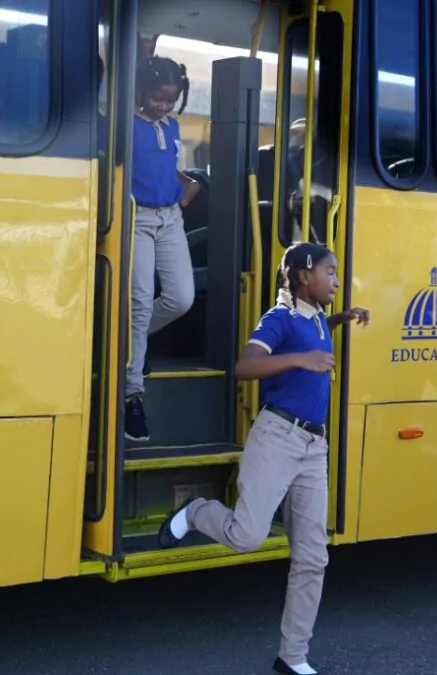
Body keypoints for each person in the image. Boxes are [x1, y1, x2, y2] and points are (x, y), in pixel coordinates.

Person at [158, 242, 368, 675]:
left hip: (314, 447)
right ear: (304, 275)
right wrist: (302, 359)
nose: (336, 281)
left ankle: (293, 656)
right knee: (247, 537)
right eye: (330, 272)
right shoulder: (279, 318)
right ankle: (196, 511)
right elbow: (246, 366)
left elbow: (312, 335)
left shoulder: (316, 318)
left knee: (313, 557)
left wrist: (341, 319)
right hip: (277, 438)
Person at [124, 56, 201, 442]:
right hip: (136, 218)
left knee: (181, 298)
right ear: (140, 90)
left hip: (170, 218)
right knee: (139, 302)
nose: (164, 106)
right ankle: (132, 394)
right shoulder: (123, 124)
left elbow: (167, 166)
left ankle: (130, 343)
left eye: (171, 100)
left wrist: (189, 185)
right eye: (158, 98)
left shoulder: (171, 125)